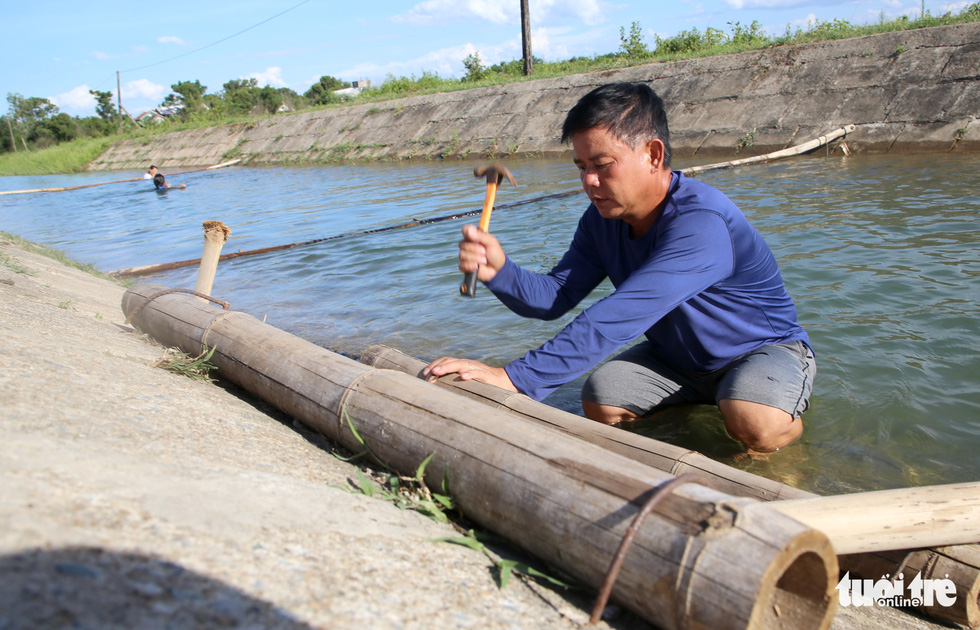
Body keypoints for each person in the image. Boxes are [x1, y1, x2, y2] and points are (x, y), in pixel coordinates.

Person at [424, 82, 815, 457]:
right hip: (676, 360)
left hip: (758, 351)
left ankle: (776, 439)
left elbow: (621, 314)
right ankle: (696, 413)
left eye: (602, 165)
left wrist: (514, 379)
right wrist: (501, 272)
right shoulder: (601, 221)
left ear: (653, 155)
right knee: (602, 399)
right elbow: (556, 296)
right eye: (581, 166)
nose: (589, 182)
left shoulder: (702, 223)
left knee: (755, 422)